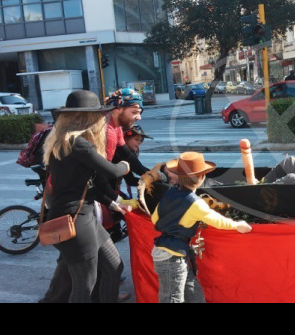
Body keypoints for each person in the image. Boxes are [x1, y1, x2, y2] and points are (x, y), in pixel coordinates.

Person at [41, 89, 132, 303]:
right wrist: (125, 165)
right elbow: (112, 172)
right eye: (100, 114)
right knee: (85, 285)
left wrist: (111, 203)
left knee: (113, 266)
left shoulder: (63, 141)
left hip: (83, 216)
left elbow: (87, 185)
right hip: (75, 221)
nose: (103, 118)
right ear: (88, 118)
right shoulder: (79, 144)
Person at [151, 151, 253, 303]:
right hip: (173, 257)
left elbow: (155, 219)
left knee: (193, 293)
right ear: (201, 178)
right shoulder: (195, 203)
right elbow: (217, 221)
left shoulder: (170, 192)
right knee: (172, 299)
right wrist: (237, 225)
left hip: (168, 252)